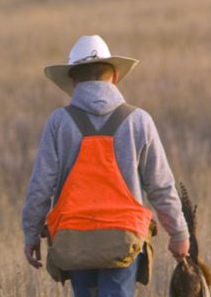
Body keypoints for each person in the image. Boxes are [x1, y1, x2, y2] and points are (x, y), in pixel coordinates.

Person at [21, 35, 190, 296]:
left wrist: (31, 234)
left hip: (73, 238)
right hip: (124, 239)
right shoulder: (139, 121)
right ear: (113, 76)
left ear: (73, 81)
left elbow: (40, 186)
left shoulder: (59, 122)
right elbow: (160, 185)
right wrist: (178, 232)